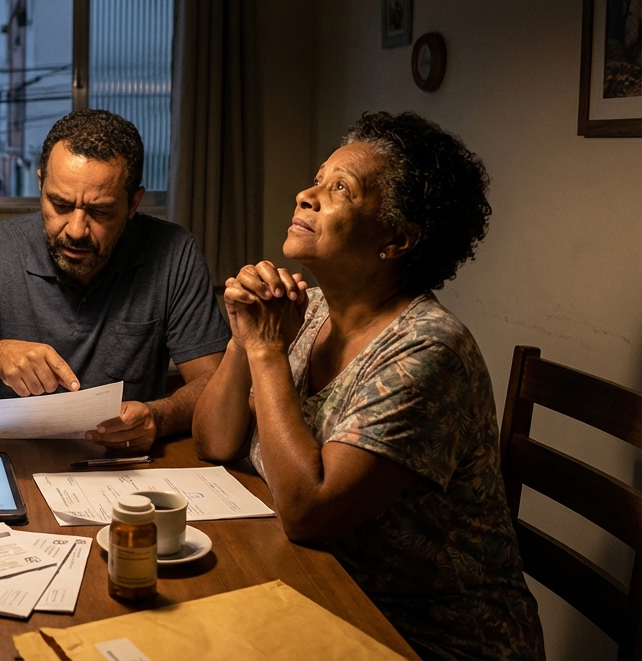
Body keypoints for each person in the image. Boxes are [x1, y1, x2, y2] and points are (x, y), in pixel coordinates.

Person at [192, 112, 544, 659]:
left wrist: (266, 350)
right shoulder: (308, 312)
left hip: (427, 637)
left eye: (340, 189)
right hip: (319, 589)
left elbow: (308, 513)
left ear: (396, 239)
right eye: (317, 179)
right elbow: (213, 442)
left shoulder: (428, 350)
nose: (306, 195)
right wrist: (245, 337)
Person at [0, 110, 230, 451]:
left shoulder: (173, 251)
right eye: (60, 204)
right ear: (41, 186)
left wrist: (159, 416)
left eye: (100, 211)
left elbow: (216, 383)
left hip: (123, 461)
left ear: (133, 204)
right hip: (10, 457)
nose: (77, 230)